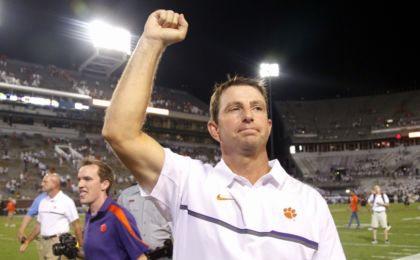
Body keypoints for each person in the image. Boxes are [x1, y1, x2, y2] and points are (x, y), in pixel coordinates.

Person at [102, 9, 345, 259]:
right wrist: (151, 43)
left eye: (257, 107)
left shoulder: (310, 202)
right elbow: (120, 132)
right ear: (214, 130)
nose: (248, 115)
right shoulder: (187, 182)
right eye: (235, 108)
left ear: (269, 125)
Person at [77, 158, 149, 260]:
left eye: (87, 179)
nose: (80, 185)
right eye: (79, 179)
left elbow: (140, 258)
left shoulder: (117, 215)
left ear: (104, 184)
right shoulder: (90, 215)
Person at [19, 173, 83, 259]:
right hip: (43, 244)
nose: (42, 184)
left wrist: (81, 246)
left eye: (45, 182)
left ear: (54, 184)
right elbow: (38, 226)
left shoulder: (66, 201)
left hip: (58, 244)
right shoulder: (43, 202)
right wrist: (27, 242)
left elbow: (77, 225)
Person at [118, 183, 172, 253]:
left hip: (163, 255)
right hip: (133, 255)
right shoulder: (126, 195)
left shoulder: (169, 195)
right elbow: (117, 228)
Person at [17, 191, 47, 257]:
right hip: (43, 239)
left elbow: (75, 223)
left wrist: (76, 245)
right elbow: (30, 214)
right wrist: (21, 231)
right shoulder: (40, 199)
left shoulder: (64, 200)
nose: (42, 184)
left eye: (46, 181)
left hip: (59, 239)